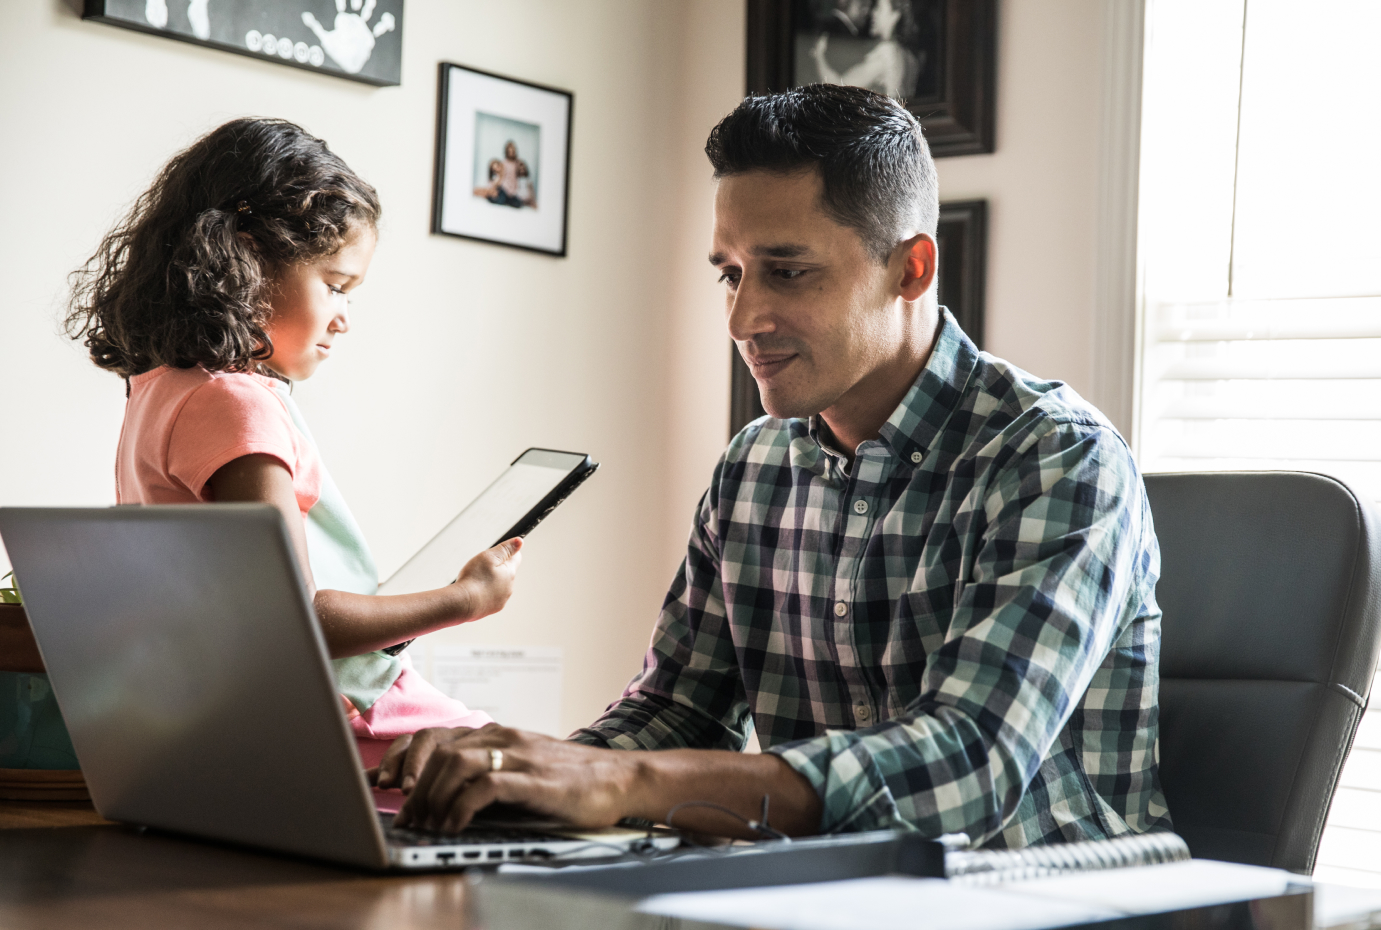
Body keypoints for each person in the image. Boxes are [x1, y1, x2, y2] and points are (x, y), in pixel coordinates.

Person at [374, 84, 1171, 849]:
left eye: (787, 271)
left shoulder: (1056, 455)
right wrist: (523, 778)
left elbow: (967, 767)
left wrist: (619, 785)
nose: (743, 317)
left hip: (1044, 901)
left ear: (911, 269)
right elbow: (680, 710)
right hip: (820, 896)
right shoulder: (754, 464)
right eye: (730, 273)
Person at [63, 118, 524, 769]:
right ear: (246, 259)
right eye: (335, 285)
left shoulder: (156, 390)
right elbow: (292, 619)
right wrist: (465, 599)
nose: (343, 316)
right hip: (349, 712)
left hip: (217, 720)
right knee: (535, 770)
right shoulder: (235, 404)